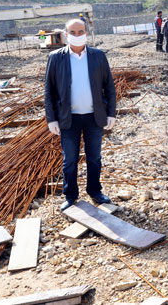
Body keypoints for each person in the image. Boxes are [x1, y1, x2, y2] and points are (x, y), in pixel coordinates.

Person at [45, 18, 117, 211]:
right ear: (65, 35)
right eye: (73, 33)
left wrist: (111, 113)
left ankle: (95, 191)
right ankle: (70, 195)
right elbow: (49, 91)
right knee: (70, 159)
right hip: (69, 118)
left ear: (86, 32)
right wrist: (51, 118)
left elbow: (109, 86)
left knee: (94, 157)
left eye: (81, 31)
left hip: (94, 117)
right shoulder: (56, 57)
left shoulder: (98, 56)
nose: (77, 36)